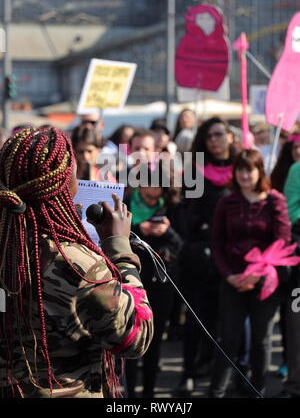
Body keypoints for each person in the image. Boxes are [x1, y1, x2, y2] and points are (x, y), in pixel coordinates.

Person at [0, 126, 153, 398]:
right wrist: (119, 249)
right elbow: (135, 336)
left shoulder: (7, 243)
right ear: (64, 180)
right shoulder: (77, 265)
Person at [210, 149, 291, 398]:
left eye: (250, 169)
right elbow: (217, 244)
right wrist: (229, 275)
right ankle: (217, 391)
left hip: (265, 281)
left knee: (262, 340)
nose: (245, 175)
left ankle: (259, 390)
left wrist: (258, 274)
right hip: (233, 279)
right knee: (229, 339)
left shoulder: (275, 201)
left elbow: (283, 241)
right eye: (241, 169)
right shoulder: (226, 201)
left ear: (259, 171)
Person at [176, 116, 238, 396]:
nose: (214, 140)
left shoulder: (243, 170)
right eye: (209, 136)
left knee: (227, 321)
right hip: (200, 257)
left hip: (233, 257)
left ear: (230, 137)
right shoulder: (195, 171)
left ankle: (221, 370)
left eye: (218, 134)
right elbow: (188, 216)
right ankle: (188, 374)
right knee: (196, 319)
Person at [124, 164, 183, 398]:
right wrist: (140, 229)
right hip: (131, 279)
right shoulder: (125, 203)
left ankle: (149, 393)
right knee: (130, 339)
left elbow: (183, 245)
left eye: (158, 186)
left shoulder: (172, 207)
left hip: (161, 282)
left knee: (154, 340)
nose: (152, 192)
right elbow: (112, 237)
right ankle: (129, 394)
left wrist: (167, 232)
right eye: (147, 185)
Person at [270, 131, 300, 378]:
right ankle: (292, 370)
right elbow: (289, 216)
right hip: (292, 254)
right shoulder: (291, 172)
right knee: (293, 317)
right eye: (294, 148)